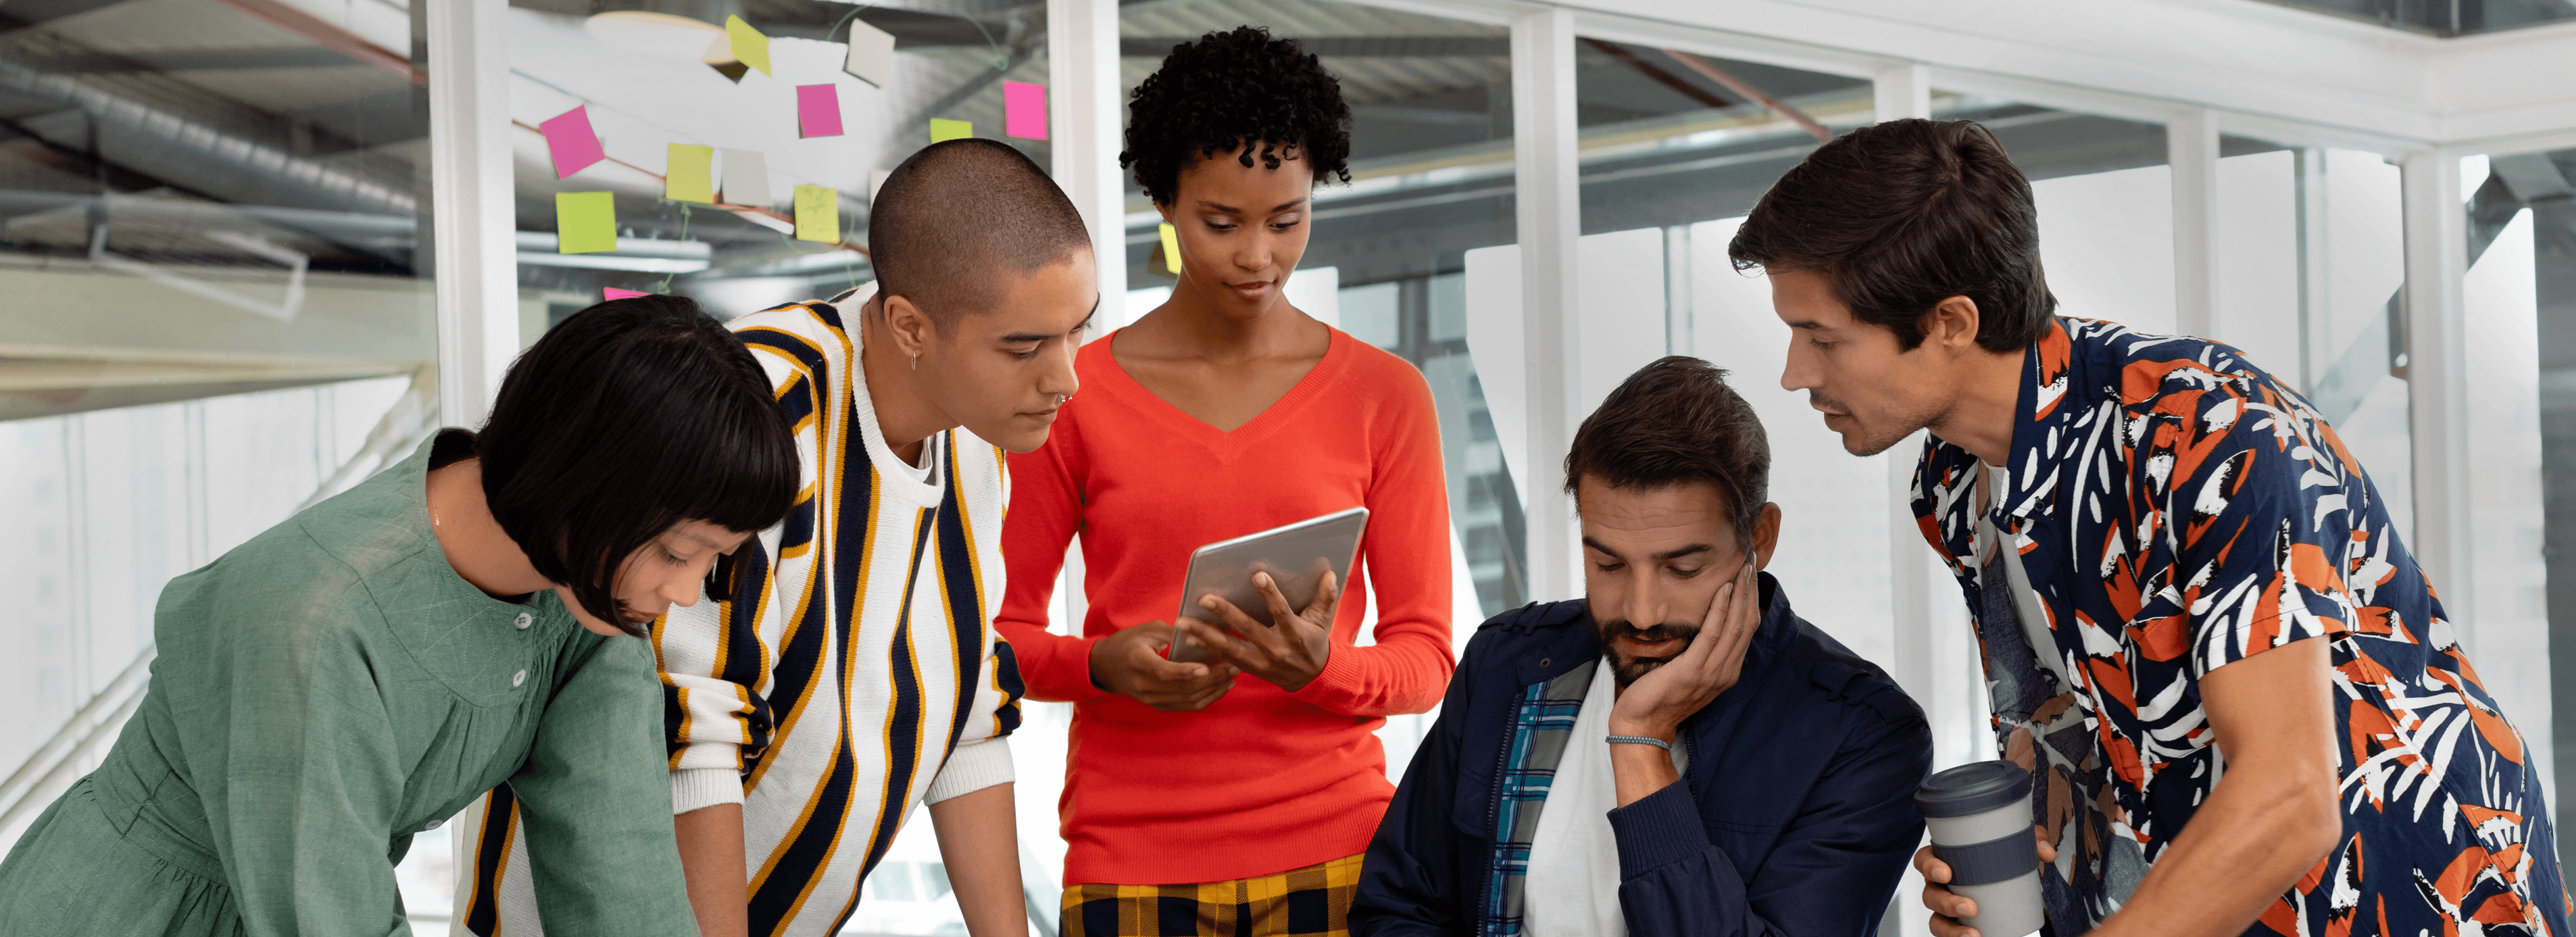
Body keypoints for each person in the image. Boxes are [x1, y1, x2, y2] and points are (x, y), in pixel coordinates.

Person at [1731, 117, 2570, 937]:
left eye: (1821, 338)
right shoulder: (1952, 483)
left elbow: (2290, 797)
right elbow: (2062, 722)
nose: (1795, 374)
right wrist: (2026, 869)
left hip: (2411, 889)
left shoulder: (2204, 429)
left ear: (1951, 323)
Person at [0, 295, 798, 937]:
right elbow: (324, 913)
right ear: (586, 487)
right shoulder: (316, 616)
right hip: (130, 911)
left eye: (711, 560)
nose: (686, 593)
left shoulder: (588, 606)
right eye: (674, 552)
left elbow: (622, 884)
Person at [458, 139, 1096, 937]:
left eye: (1077, 331)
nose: (1066, 377)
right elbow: (692, 733)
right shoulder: (755, 411)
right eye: (1026, 346)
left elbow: (967, 718)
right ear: (908, 326)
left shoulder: (979, 436)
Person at [993, 26, 1454, 937]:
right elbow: (994, 640)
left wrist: (1323, 670)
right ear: (1164, 201)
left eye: (1287, 221)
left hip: (1347, 854)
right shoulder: (1077, 395)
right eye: (1222, 223)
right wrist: (1103, 666)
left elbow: (1426, 660)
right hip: (1133, 867)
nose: (1258, 258)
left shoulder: (1386, 396)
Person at [1349, 357, 1932, 937]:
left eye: (1682, 568)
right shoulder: (1507, 664)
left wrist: (1640, 743)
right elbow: (1398, 910)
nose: (1641, 612)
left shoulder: (1865, 735)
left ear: (1760, 539)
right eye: (1608, 564)